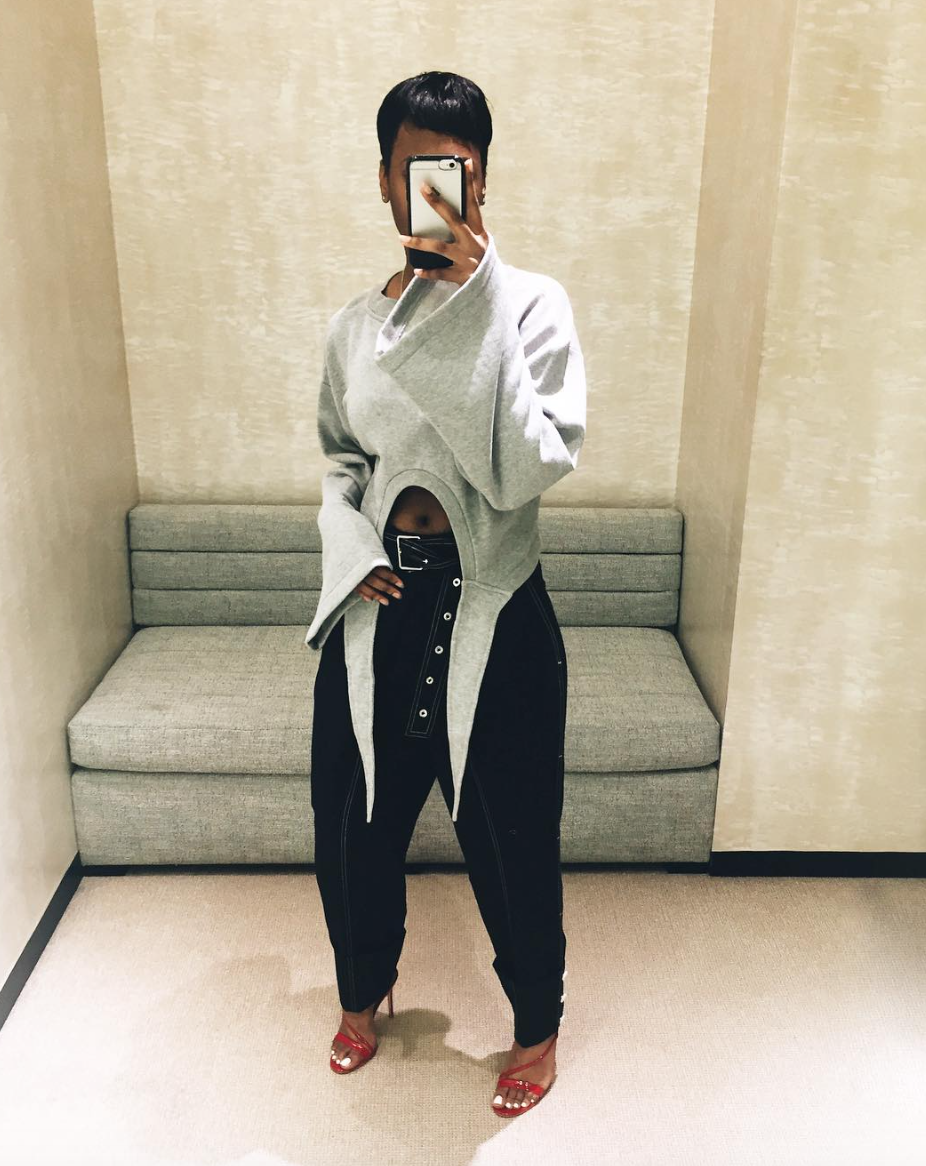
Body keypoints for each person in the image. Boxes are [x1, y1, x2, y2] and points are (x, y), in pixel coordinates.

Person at [306, 70, 586, 1115]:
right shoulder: (353, 328)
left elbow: (526, 469)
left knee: (511, 836)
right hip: (381, 600)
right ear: (385, 180)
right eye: (415, 167)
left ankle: (536, 1024)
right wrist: (350, 554)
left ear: (481, 182)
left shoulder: (532, 305)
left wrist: (475, 310)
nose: (432, 187)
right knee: (352, 822)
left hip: (496, 605)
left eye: (455, 170)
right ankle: (361, 988)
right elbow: (341, 463)